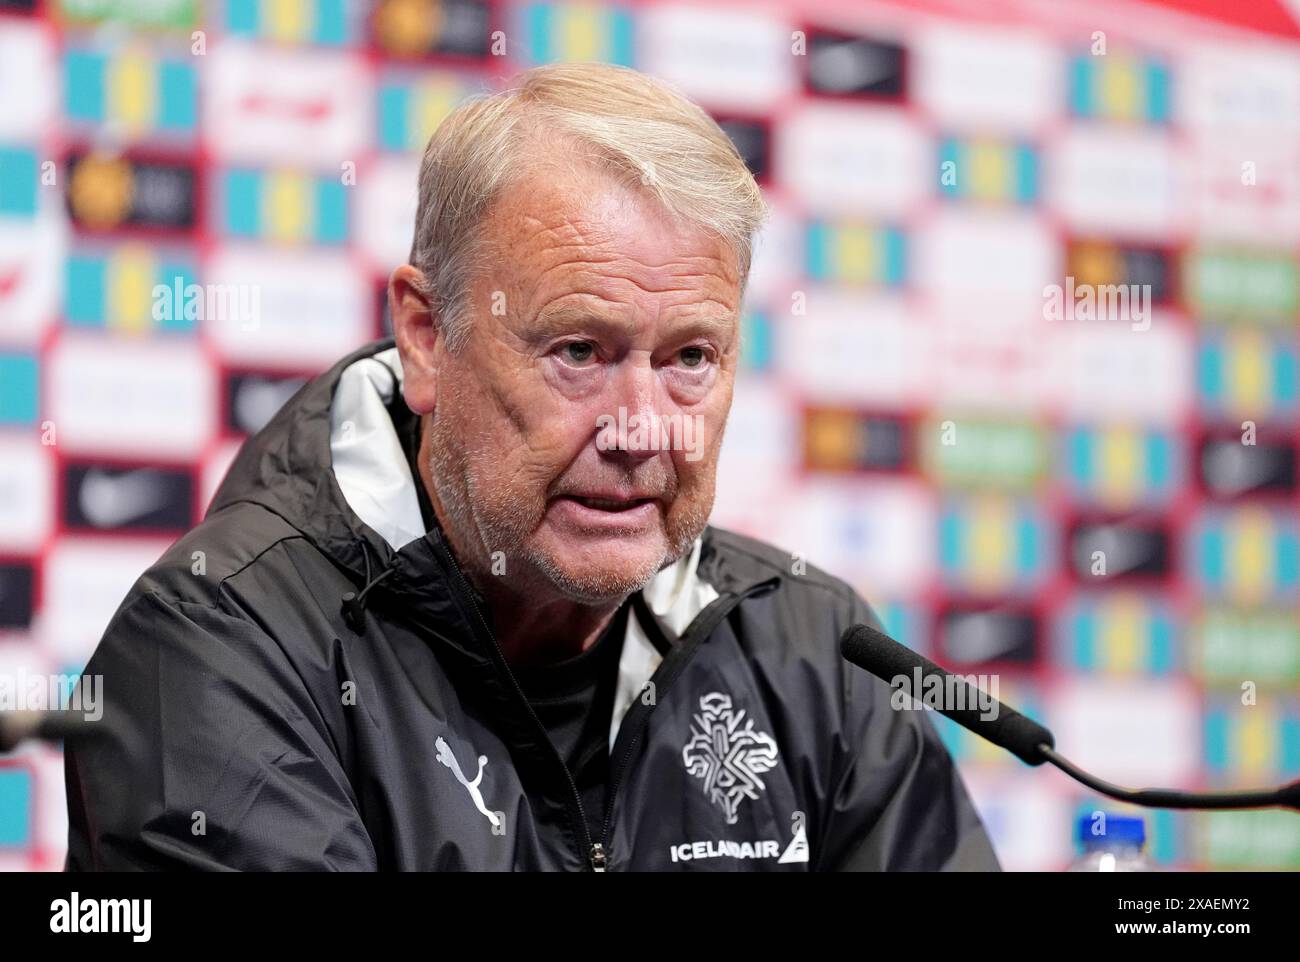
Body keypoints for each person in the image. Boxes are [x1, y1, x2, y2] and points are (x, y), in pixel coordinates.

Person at [64, 62, 1000, 871]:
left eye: (689, 359)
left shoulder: (815, 654)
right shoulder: (219, 645)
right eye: (580, 352)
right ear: (429, 338)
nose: (643, 430)